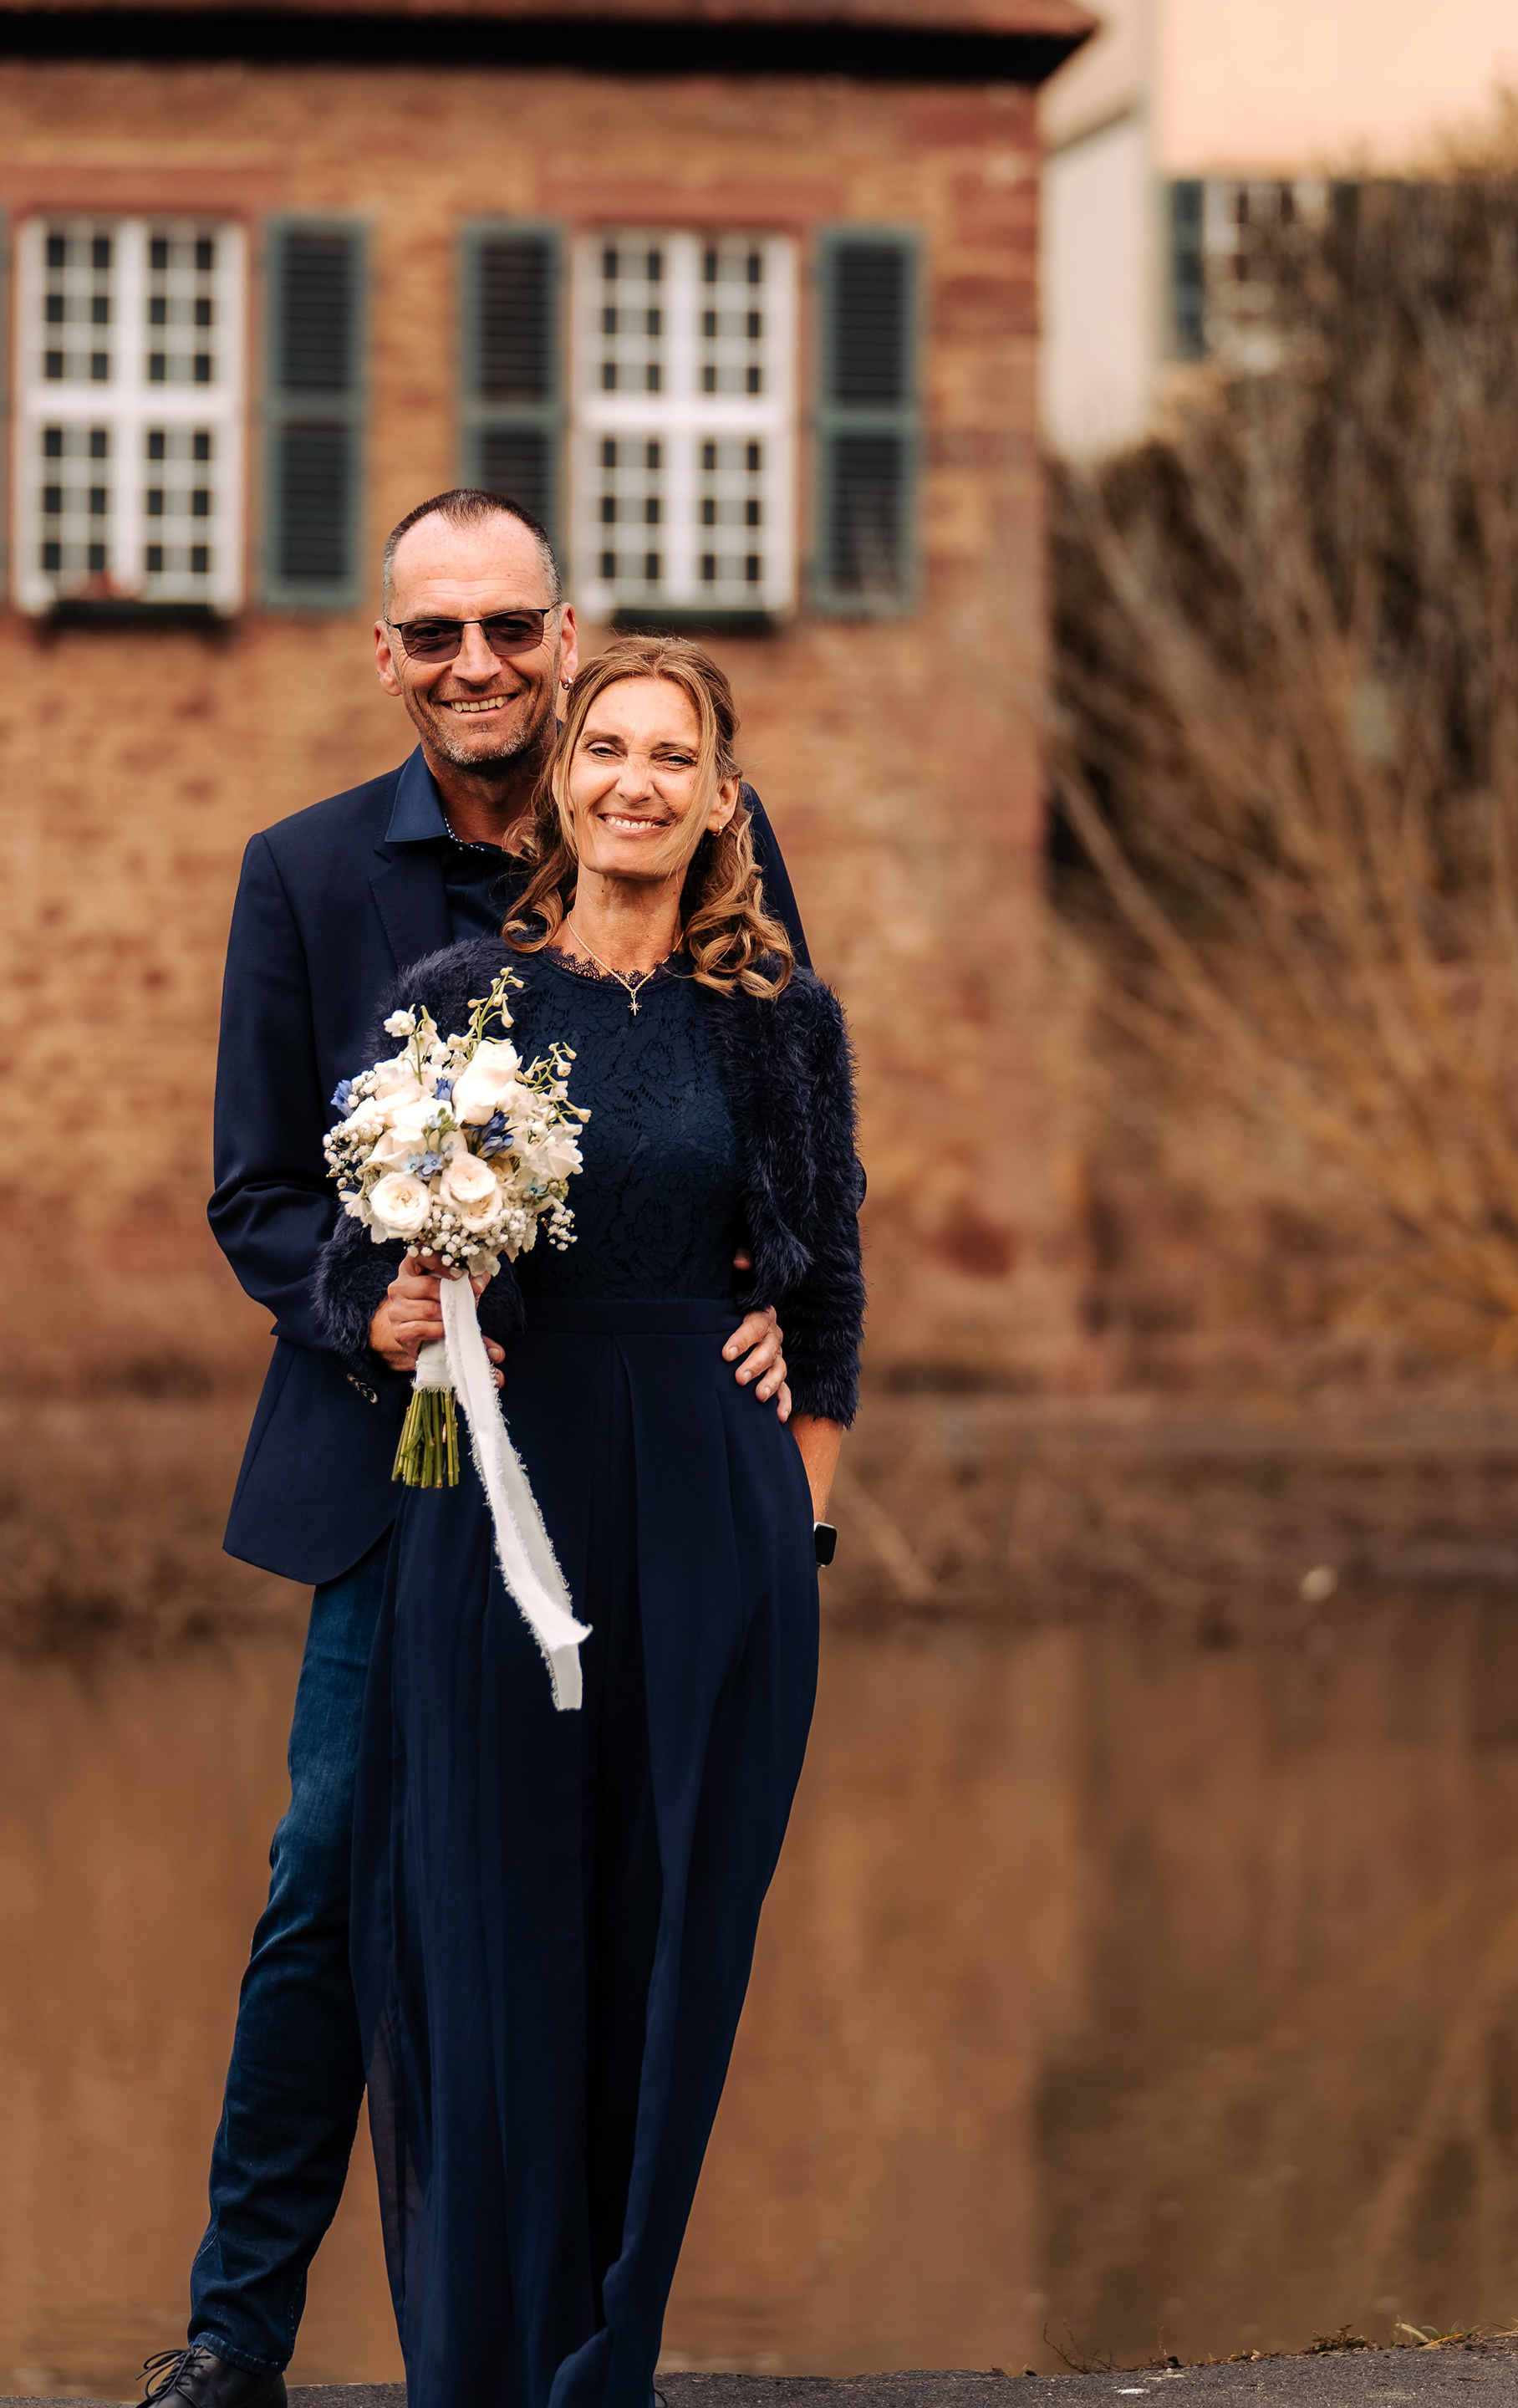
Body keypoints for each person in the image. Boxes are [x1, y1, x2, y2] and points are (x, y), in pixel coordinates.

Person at [148, 496, 802, 2408]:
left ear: (564, 636)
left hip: (643, 1477)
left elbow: (780, 1115)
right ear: (387, 657)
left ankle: (573, 2336)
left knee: (619, 1890)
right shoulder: (302, 875)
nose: (478, 666)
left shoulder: (692, 823)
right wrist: (368, 1307)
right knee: (334, 1877)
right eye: (435, 635)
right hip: (401, 1474)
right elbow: (258, 1189)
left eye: (511, 627)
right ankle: (238, 2335)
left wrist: (781, 1295)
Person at [312, 635, 863, 2408]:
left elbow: (828, 1290)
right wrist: (393, 1308)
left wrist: (799, 1537)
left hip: (715, 1508)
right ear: (562, 779)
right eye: (608, 747)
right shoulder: (458, 1001)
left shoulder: (779, 1021)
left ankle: (605, 2360)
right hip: (501, 1510)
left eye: (672, 756)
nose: (637, 781)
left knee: (672, 1930)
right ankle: (487, 2359)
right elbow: (348, 1274)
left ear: (720, 798)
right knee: (491, 1931)